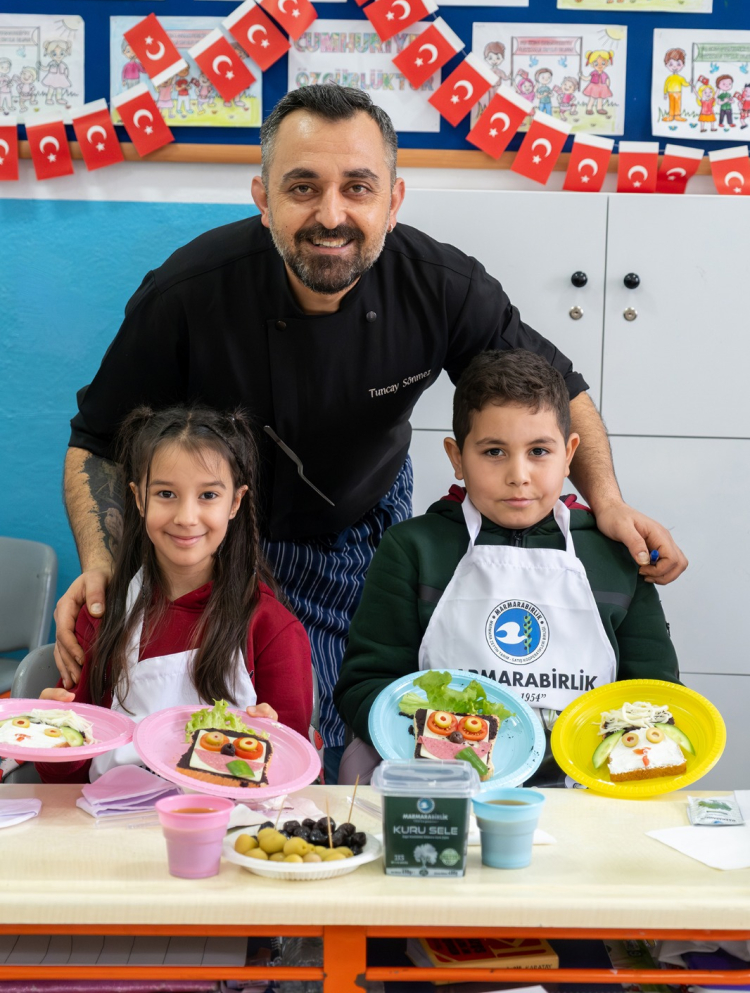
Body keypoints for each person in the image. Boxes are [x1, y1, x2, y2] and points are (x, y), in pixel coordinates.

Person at [55, 85, 687, 783]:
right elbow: (97, 443)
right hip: (219, 540)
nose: (331, 215)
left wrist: (608, 502)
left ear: (393, 200)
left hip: (364, 525)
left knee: (357, 721)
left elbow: (560, 391)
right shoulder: (188, 290)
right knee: (233, 735)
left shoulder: (440, 285)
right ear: (263, 198)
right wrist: (102, 562)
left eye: (357, 188)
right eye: (303, 187)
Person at [334, 349, 680, 786]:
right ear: (457, 457)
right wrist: (440, 744)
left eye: (539, 451)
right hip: (446, 785)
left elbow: (655, 693)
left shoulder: (615, 555)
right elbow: (365, 685)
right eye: (494, 451)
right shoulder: (413, 548)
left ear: (570, 454)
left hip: (586, 790)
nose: (519, 475)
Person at [37, 404, 313, 784]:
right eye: (166, 493)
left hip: (228, 818)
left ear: (235, 502)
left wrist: (275, 749)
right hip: (115, 815)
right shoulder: (103, 615)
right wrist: (52, 736)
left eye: (208, 495)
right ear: (138, 498)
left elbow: (292, 779)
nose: (186, 517)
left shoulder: (272, 628)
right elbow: (65, 777)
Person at [663, 48, 690, 123]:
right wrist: (665, 93)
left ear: (683, 65)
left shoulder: (680, 78)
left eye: (678, 64)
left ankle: (677, 116)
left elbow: (684, 84)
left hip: (678, 93)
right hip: (670, 93)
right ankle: (671, 116)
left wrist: (689, 83)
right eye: (671, 64)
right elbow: (666, 85)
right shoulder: (669, 78)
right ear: (666, 65)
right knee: (671, 104)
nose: (674, 67)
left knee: (677, 104)